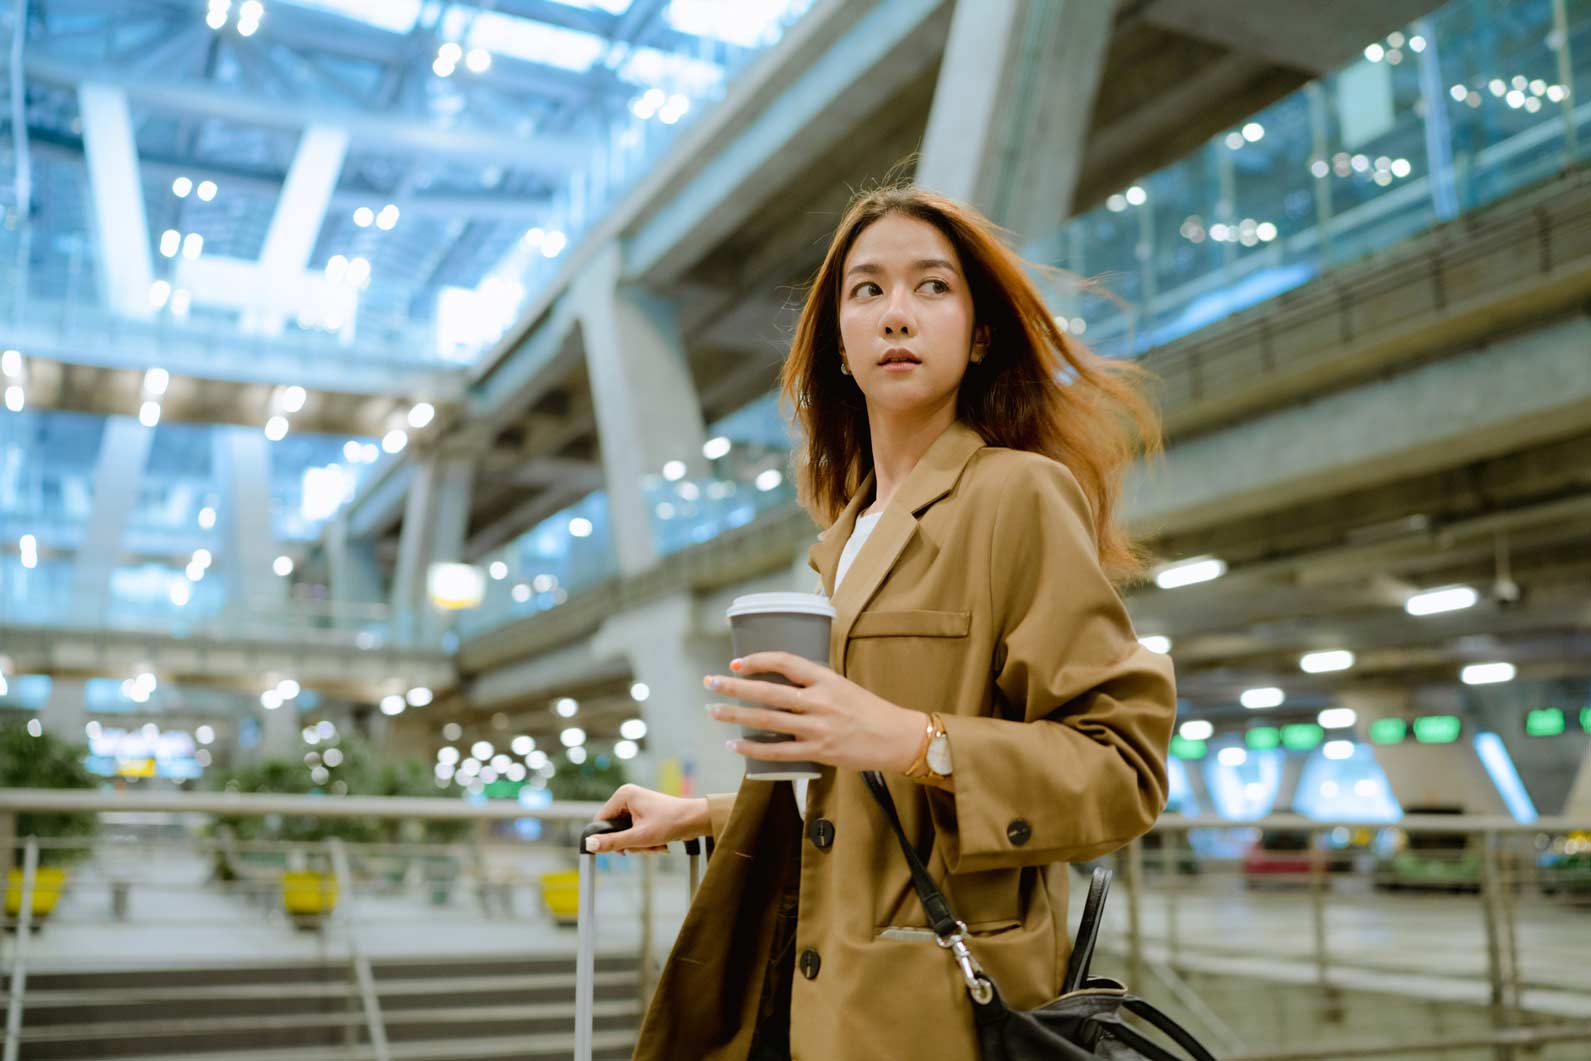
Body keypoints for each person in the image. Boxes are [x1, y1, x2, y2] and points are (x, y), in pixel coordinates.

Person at [589, 183, 1176, 1060]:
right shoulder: (842, 538)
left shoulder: (1015, 494)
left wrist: (913, 736)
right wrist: (703, 814)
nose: (896, 313)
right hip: (813, 997)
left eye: (931, 287)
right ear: (838, 344)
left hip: (936, 1011)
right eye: (867, 290)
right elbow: (853, 793)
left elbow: (1121, 767)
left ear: (979, 336)